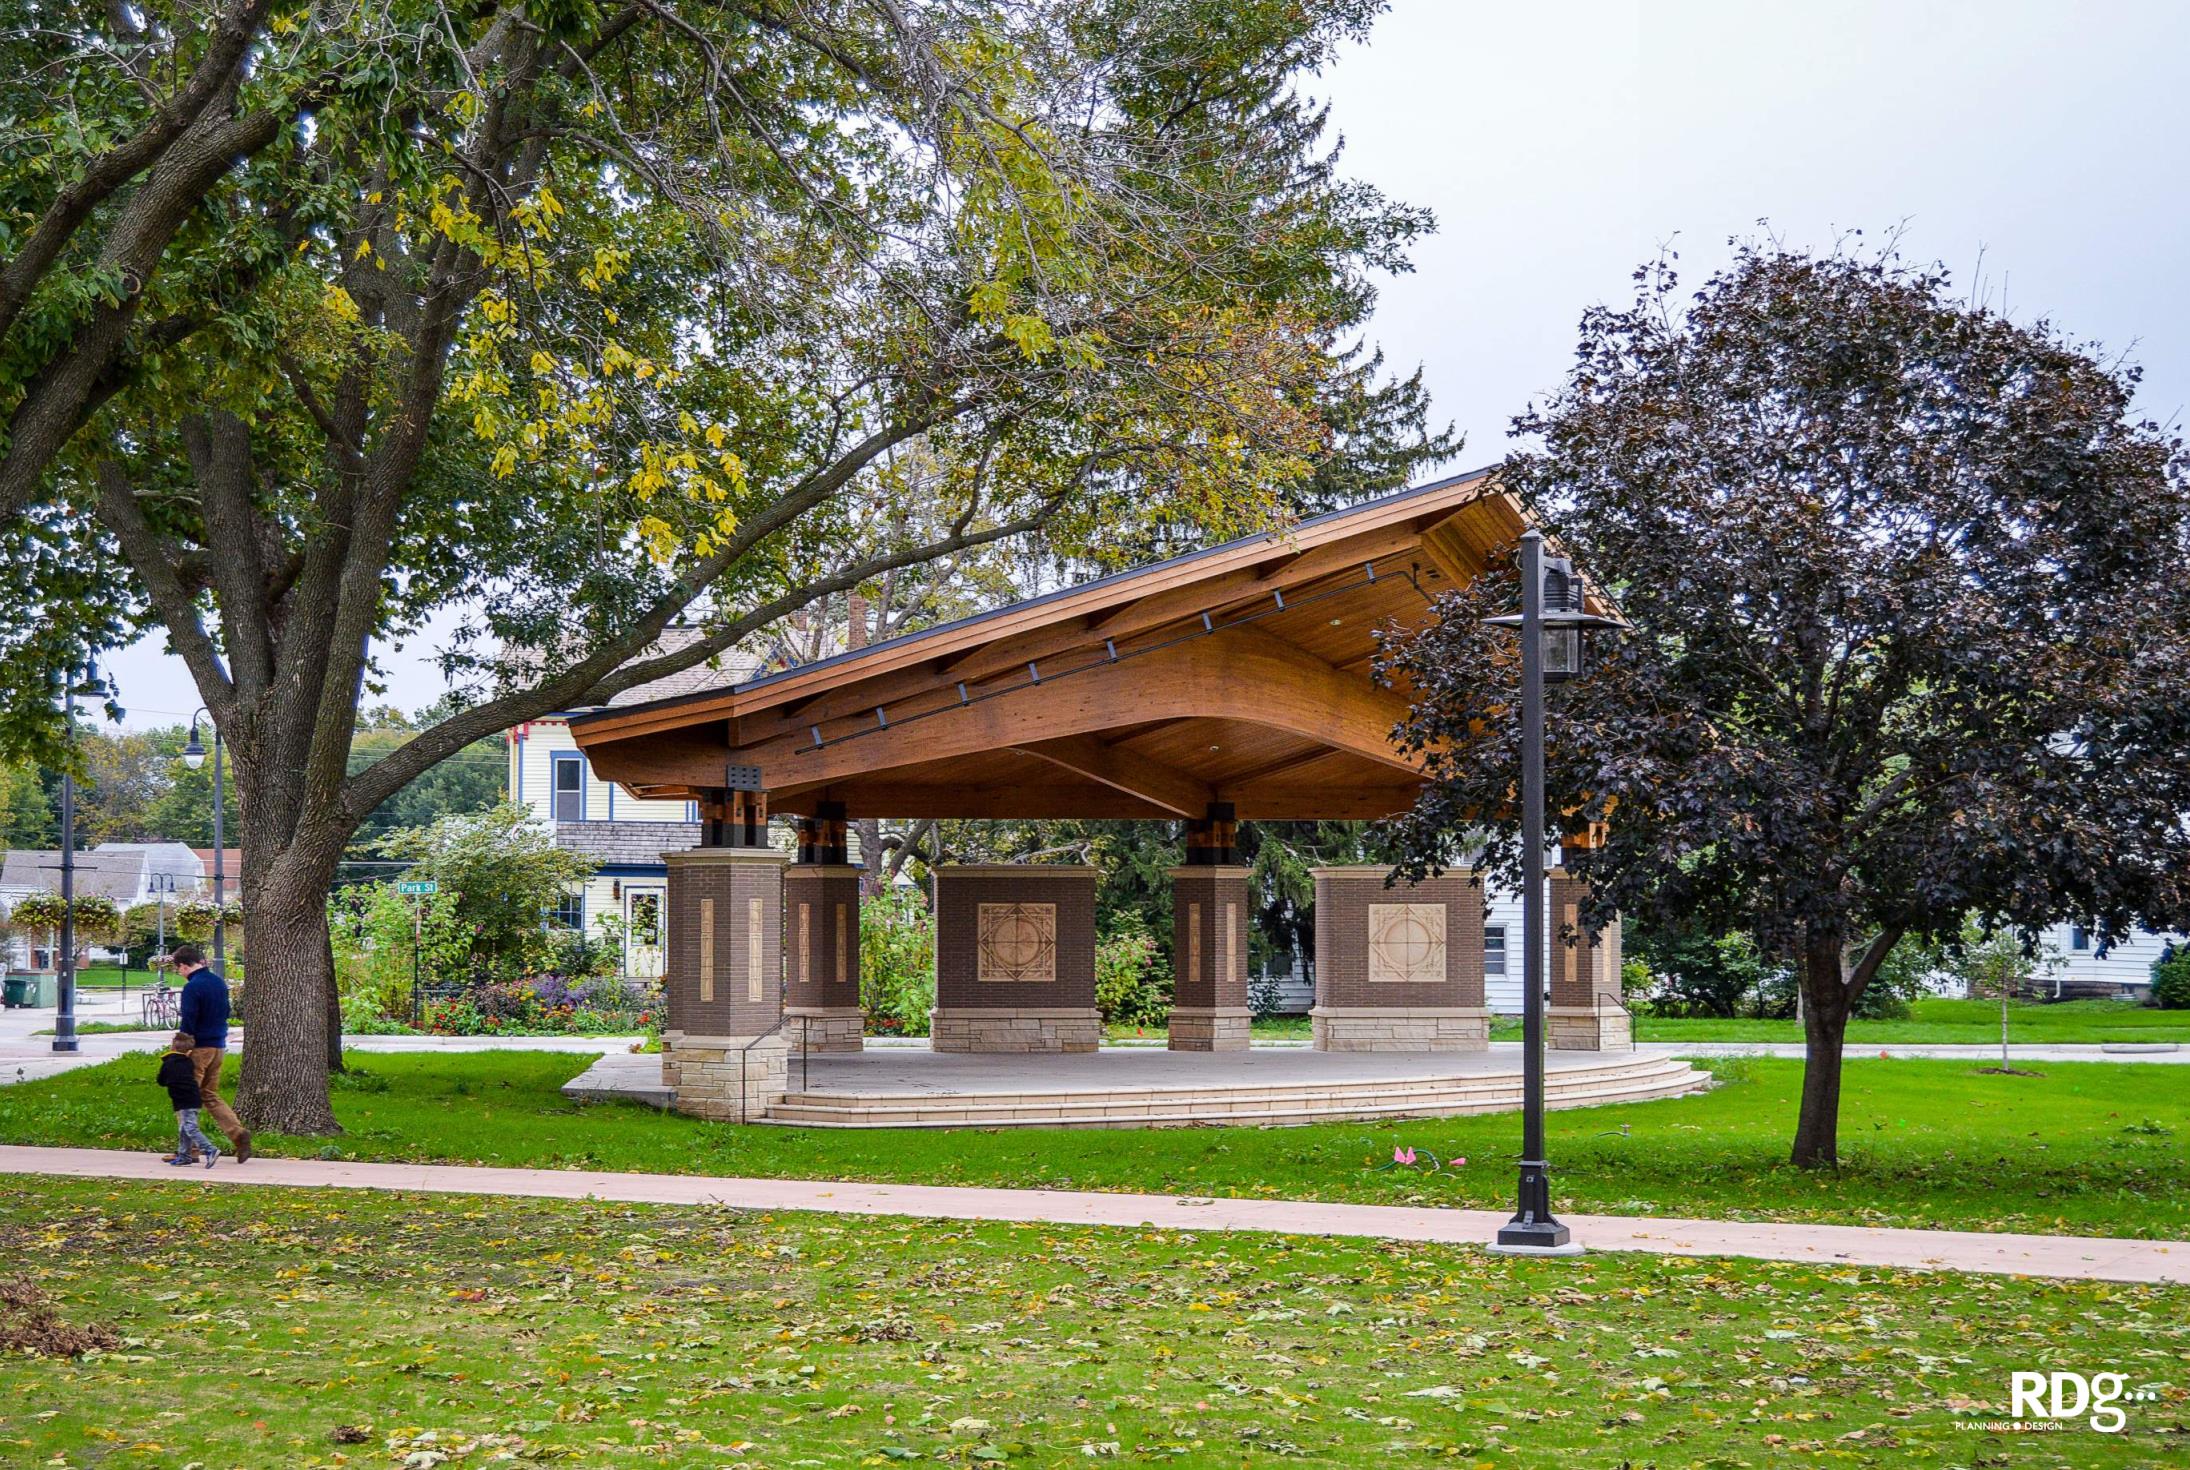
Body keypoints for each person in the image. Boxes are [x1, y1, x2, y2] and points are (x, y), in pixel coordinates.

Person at [170, 943, 253, 1162]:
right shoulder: (218, 982)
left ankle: (189, 1151)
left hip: (198, 1048)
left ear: (184, 965)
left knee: (186, 1097)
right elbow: (226, 1011)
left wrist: (180, 1048)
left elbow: (189, 1019)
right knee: (209, 1094)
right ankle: (238, 1133)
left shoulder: (192, 987)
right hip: (218, 1046)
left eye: (178, 969)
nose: (180, 973)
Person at [158, 1032, 220, 1168]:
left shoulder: (168, 1063)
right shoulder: (188, 1062)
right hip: (193, 1098)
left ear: (173, 1046)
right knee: (184, 1128)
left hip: (183, 1100)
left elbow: (161, 1080)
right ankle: (184, 1156)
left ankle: (210, 1149)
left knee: (190, 1128)